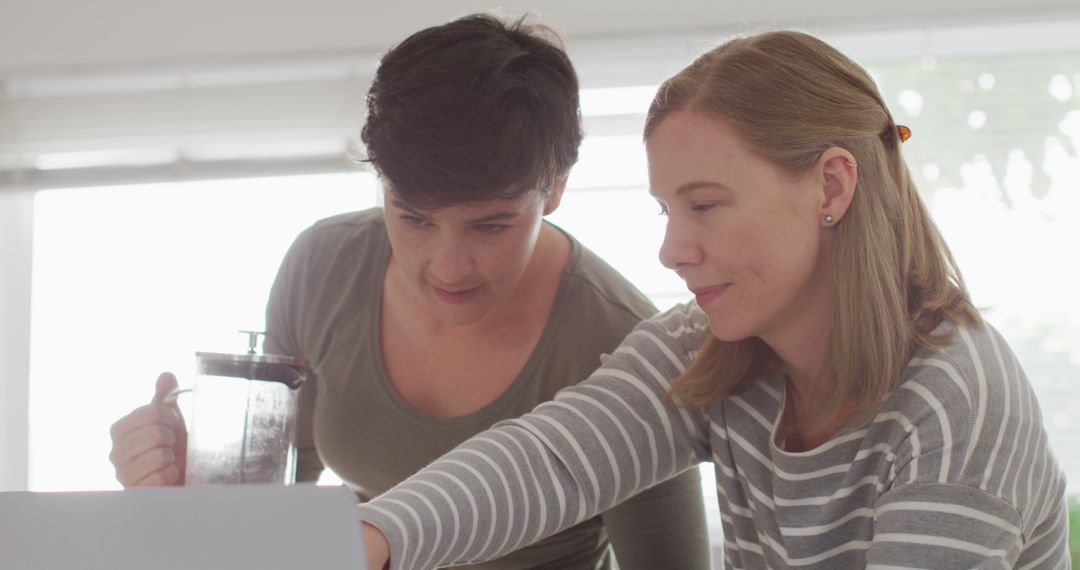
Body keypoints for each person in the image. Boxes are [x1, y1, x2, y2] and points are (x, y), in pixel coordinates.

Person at [355, 30, 1071, 569]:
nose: (672, 251)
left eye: (705, 206)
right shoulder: (713, 344)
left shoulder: (954, 406)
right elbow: (552, 460)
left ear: (831, 187)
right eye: (668, 211)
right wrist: (368, 539)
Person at [106, 14, 713, 570]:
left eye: (490, 225)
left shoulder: (623, 341)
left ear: (553, 188)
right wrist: (196, 484)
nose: (447, 268)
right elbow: (270, 514)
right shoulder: (322, 268)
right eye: (414, 218)